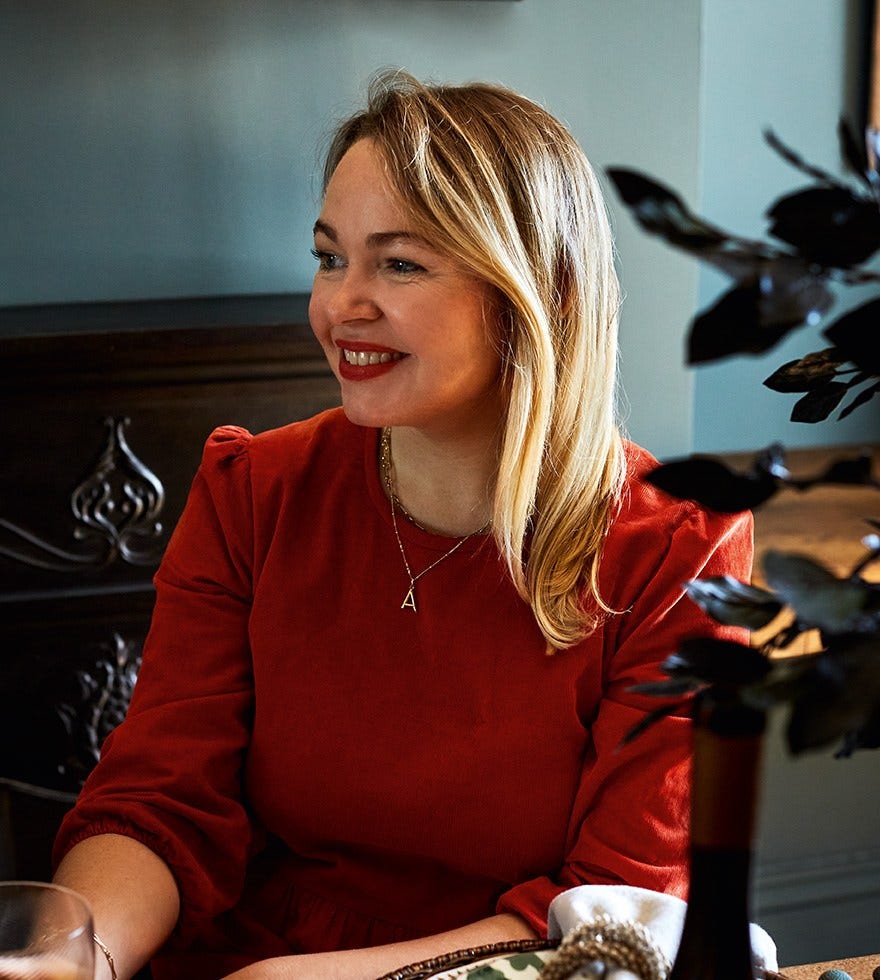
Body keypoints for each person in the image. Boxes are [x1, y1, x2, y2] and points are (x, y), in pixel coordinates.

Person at [52, 72, 752, 980]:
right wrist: (82, 956)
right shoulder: (252, 491)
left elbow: (616, 908)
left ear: (547, 290)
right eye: (330, 256)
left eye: (401, 263)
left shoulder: (677, 553)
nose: (342, 305)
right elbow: (156, 805)